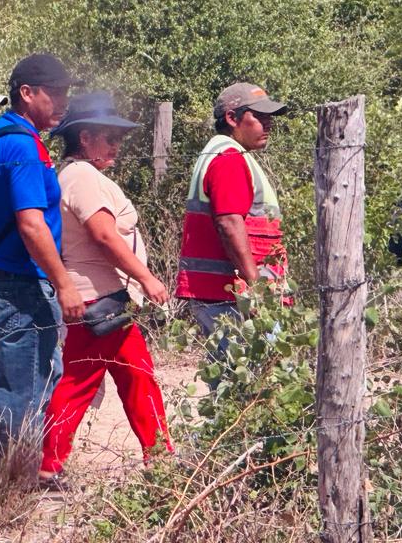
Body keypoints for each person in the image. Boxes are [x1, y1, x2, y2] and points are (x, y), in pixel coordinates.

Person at [40, 93, 173, 488]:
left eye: (119, 137)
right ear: (84, 138)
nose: (116, 145)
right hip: (96, 296)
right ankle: (49, 463)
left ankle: (159, 456)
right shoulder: (82, 177)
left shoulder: (76, 174)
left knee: (134, 375)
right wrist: (147, 277)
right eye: (108, 136)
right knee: (83, 381)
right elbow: (102, 233)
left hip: (100, 296)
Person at [0, 52, 81, 454]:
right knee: (23, 391)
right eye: (55, 93)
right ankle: (8, 487)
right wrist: (64, 284)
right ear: (27, 93)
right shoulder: (21, 145)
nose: (63, 101)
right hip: (16, 280)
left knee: (26, 383)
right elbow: (31, 224)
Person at [176, 82, 290, 340]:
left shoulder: (224, 153)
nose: (268, 124)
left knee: (247, 376)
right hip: (233, 296)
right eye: (259, 116)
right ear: (232, 118)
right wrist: (256, 287)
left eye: (269, 117)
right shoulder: (228, 158)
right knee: (256, 376)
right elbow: (229, 224)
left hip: (226, 294)